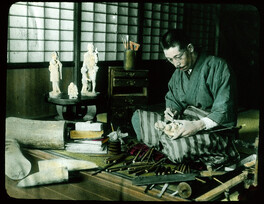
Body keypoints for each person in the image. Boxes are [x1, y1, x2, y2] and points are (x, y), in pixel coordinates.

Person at [131, 29, 239, 169]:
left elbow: (224, 110)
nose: (176, 64)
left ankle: (167, 145)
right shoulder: (179, 72)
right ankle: (168, 144)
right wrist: (171, 111)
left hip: (211, 128)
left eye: (178, 57)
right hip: (185, 121)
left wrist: (196, 126)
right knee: (137, 118)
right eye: (170, 59)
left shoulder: (218, 66)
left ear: (190, 48)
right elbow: (174, 98)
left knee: (179, 148)